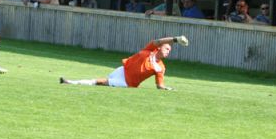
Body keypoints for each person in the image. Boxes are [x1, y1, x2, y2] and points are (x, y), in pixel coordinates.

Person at [60, 35, 188, 89]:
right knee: (103, 83)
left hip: (127, 82)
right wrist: (175, 39)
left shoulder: (160, 67)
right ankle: (73, 82)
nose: (168, 51)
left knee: (100, 82)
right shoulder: (150, 50)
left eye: (170, 50)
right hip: (122, 70)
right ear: (159, 48)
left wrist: (167, 89)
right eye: (167, 48)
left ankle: (70, 82)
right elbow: (159, 41)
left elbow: (159, 85)